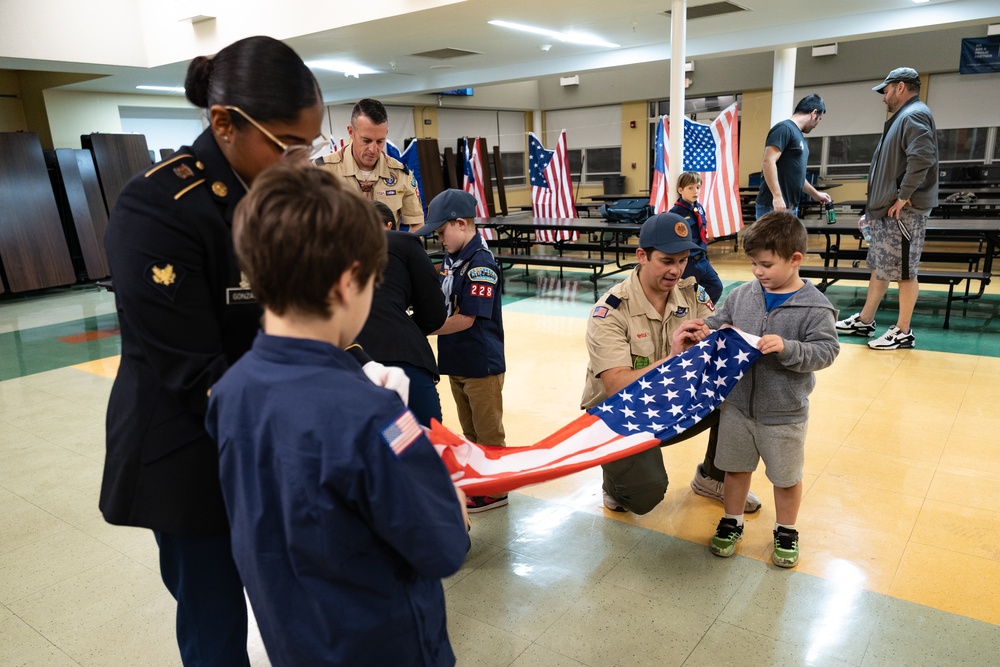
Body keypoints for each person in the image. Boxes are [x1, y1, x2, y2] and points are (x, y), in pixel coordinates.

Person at [205, 163, 469, 667]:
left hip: (295, 640)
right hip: (382, 645)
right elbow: (443, 547)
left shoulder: (230, 390)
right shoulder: (377, 417)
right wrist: (443, 483)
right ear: (349, 282)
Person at [581, 212, 762, 516]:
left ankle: (712, 477)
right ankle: (613, 484)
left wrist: (709, 341)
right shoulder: (610, 312)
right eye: (667, 261)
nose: (676, 270)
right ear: (642, 256)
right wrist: (675, 358)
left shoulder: (692, 295)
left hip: (672, 402)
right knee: (643, 498)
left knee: (740, 396)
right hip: (620, 414)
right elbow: (615, 386)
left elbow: (717, 351)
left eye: (682, 260)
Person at [702, 211, 840, 568]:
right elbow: (720, 322)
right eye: (753, 264)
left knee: (785, 476)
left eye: (766, 264)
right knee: (735, 469)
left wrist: (789, 348)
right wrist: (704, 329)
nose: (758, 272)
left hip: (783, 412)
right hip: (736, 407)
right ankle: (732, 522)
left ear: (795, 259)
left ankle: (786, 529)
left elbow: (827, 352)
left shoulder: (815, 306)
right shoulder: (742, 295)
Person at [835, 67, 939, 350]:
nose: (884, 97)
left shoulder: (914, 114)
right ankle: (866, 320)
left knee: (905, 271)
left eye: (887, 90)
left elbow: (923, 158)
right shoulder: (903, 117)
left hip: (903, 211)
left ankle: (903, 331)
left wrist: (903, 196)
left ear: (901, 87)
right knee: (881, 267)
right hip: (887, 209)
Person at [417, 189, 508, 513]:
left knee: (488, 433)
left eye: (442, 232)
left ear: (461, 223)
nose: (440, 239)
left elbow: (467, 318)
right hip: (456, 360)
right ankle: (480, 480)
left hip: (480, 363)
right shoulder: (454, 257)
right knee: (470, 430)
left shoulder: (480, 263)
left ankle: (497, 489)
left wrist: (420, 328)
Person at [357, 201, 447, 426]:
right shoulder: (403, 242)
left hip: (348, 362)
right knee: (425, 438)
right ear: (392, 225)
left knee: (384, 438)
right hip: (401, 356)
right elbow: (434, 313)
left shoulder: (329, 250)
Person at [316, 98, 424, 232]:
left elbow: (417, 223)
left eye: (380, 141)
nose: (373, 150)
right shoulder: (322, 172)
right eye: (366, 140)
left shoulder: (400, 174)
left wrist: (401, 251)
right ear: (351, 132)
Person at [755, 94, 832, 219]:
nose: (817, 124)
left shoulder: (798, 135)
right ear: (814, 113)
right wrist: (777, 197)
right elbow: (768, 161)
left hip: (790, 206)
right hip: (773, 206)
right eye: (819, 119)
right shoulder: (784, 129)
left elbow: (798, 177)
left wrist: (816, 194)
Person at [669, 171, 724, 303]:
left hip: (702, 260)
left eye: (698, 187)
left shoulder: (698, 208)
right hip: (688, 262)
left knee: (716, 287)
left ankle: (701, 313)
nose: (695, 191)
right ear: (680, 190)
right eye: (690, 188)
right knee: (685, 296)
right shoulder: (676, 214)